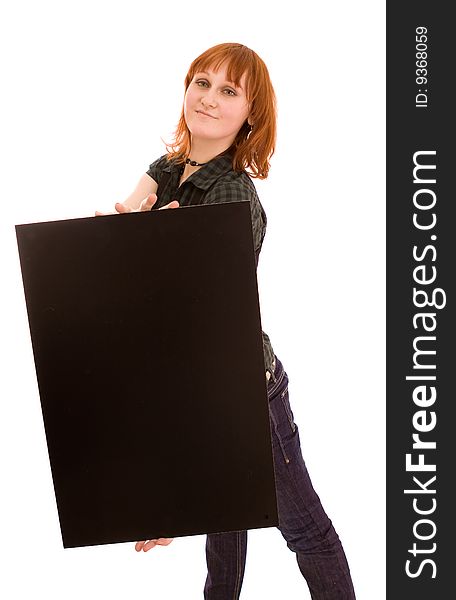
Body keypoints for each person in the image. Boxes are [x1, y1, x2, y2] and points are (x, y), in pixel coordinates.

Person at [98, 42, 356, 600]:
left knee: (305, 529)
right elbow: (124, 262)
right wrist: (111, 238)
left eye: (229, 91)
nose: (208, 98)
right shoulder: (167, 169)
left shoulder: (234, 193)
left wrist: (156, 249)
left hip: (243, 385)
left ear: (250, 116)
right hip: (192, 377)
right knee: (225, 522)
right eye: (201, 82)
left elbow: (206, 316)